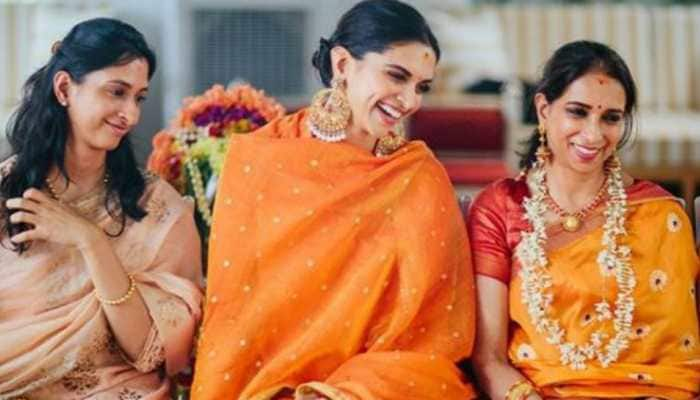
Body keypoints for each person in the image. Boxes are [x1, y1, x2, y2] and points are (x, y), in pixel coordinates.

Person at [191, 1, 476, 399]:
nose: (411, 100)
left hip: (379, 386)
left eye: (422, 86)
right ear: (342, 65)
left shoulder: (417, 175)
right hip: (268, 384)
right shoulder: (258, 159)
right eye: (397, 75)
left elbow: (431, 334)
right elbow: (236, 319)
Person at [469, 40, 700, 399]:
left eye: (610, 118)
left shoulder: (658, 214)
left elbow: (678, 359)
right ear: (544, 109)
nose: (593, 135)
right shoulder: (500, 208)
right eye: (577, 112)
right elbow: (488, 357)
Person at [0, 18, 203, 399]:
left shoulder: (158, 210)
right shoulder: (6, 193)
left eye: (139, 97)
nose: (132, 114)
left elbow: (148, 350)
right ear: (64, 88)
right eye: (116, 92)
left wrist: (89, 240)